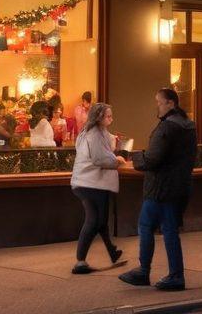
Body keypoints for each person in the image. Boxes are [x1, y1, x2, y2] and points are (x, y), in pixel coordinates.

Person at [119, 87, 197, 292]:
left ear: (171, 103)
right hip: (179, 185)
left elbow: (153, 159)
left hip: (161, 187)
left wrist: (135, 157)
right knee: (168, 230)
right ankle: (163, 273)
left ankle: (156, 272)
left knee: (148, 226)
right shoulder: (188, 126)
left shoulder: (167, 128)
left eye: (159, 102)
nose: (157, 106)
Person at [70, 102, 125, 274]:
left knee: (100, 221)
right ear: (99, 117)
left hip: (88, 182)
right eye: (108, 116)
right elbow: (100, 158)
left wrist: (116, 143)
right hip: (91, 182)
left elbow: (107, 146)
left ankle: (112, 251)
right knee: (94, 220)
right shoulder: (93, 134)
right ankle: (80, 261)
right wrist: (118, 161)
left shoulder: (95, 132)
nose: (111, 118)